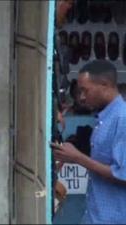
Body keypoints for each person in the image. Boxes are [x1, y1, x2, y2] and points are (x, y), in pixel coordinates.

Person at [51, 60, 126, 224]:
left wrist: (78, 158)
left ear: (104, 85)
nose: (82, 97)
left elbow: (123, 174)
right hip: (94, 216)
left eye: (85, 90)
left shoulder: (122, 118)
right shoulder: (104, 118)